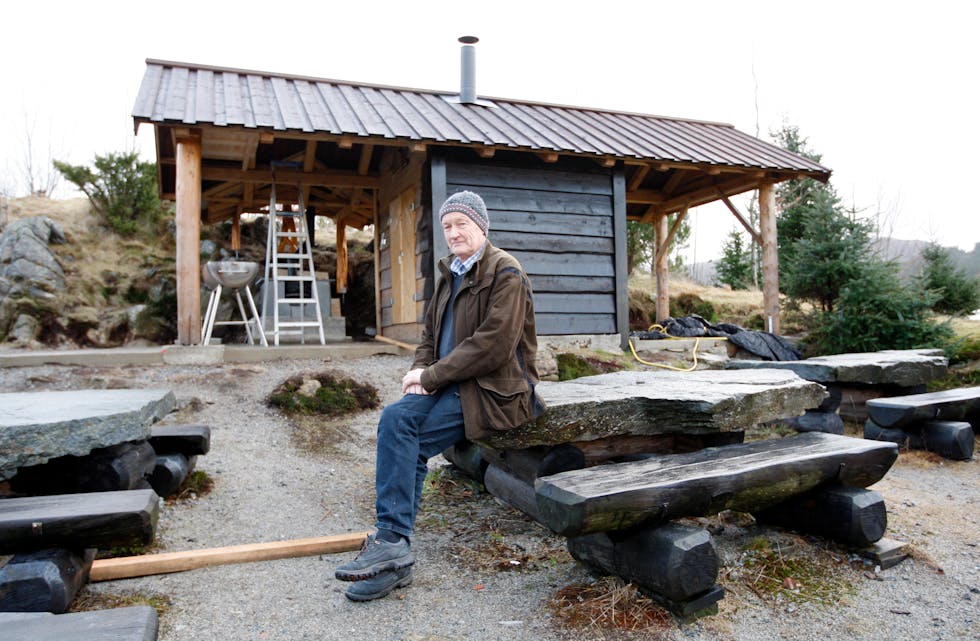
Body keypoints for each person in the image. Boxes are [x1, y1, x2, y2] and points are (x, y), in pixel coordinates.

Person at [335, 190, 544, 601]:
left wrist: (431, 376)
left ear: (481, 226)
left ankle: (392, 548)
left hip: (496, 389)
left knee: (409, 439)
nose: (453, 233)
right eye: (447, 226)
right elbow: (430, 335)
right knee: (397, 419)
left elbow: (493, 345)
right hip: (452, 381)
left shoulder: (507, 273)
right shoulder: (450, 272)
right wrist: (420, 372)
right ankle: (393, 549)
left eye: (461, 224)